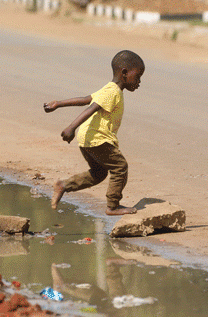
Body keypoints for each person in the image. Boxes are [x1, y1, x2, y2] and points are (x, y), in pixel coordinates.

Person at [43, 50, 144, 216]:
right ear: (124, 73)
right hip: (99, 139)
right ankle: (113, 206)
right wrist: (71, 127)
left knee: (98, 173)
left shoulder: (109, 89)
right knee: (120, 167)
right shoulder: (112, 91)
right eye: (138, 76)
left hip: (88, 139)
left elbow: (85, 99)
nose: (139, 82)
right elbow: (92, 108)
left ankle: (64, 186)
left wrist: (58, 104)